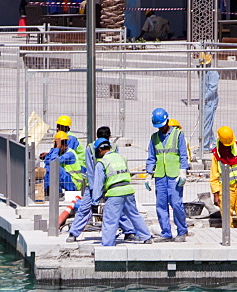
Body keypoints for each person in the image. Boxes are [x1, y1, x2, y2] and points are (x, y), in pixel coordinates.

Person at [84, 139, 153, 246]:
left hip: (115, 193)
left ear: (100, 150)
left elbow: (98, 185)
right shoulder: (121, 158)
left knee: (110, 220)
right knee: (134, 215)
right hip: (128, 191)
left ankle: (107, 244)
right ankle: (146, 237)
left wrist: (95, 202)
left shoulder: (102, 163)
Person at [145, 107, 189, 241]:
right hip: (160, 176)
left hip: (174, 176)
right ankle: (166, 233)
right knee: (161, 205)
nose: (161, 129)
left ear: (167, 121)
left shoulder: (178, 134)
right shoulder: (154, 138)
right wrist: (148, 174)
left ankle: (182, 231)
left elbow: (183, 154)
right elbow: (152, 157)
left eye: (162, 126)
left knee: (176, 204)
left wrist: (183, 171)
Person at [67, 125, 113, 240]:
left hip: (108, 184)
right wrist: (94, 188)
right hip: (96, 184)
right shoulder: (91, 148)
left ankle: (129, 231)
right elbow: (90, 169)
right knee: (85, 208)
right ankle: (74, 232)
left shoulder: (113, 147)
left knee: (116, 208)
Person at [210, 126, 237, 228]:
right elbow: (214, 174)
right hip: (225, 189)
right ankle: (229, 236)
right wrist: (216, 193)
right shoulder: (217, 153)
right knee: (226, 216)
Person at [40, 131, 84, 196]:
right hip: (66, 180)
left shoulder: (70, 154)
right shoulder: (59, 152)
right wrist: (53, 150)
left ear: (65, 146)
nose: (58, 148)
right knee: (47, 167)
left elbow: (53, 162)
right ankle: (48, 190)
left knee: (54, 167)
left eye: (59, 146)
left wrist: (57, 148)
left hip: (74, 183)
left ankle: (55, 191)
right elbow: (47, 161)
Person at [198, 52, 219, 152]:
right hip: (204, 100)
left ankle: (205, 146)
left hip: (210, 101)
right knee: (207, 123)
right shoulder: (203, 71)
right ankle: (213, 143)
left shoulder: (213, 73)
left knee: (206, 123)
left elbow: (212, 89)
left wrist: (203, 99)